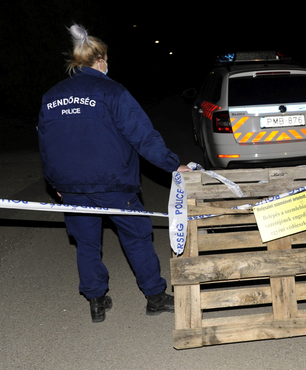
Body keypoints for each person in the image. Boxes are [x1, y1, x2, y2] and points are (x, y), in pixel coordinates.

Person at [38, 23, 191, 323]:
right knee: (137, 237)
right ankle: (155, 297)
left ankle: (96, 301)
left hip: (73, 188)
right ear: (99, 60)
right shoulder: (113, 91)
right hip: (115, 184)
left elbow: (46, 144)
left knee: (87, 243)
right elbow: (143, 136)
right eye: (106, 59)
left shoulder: (51, 97)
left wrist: (56, 182)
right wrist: (173, 164)